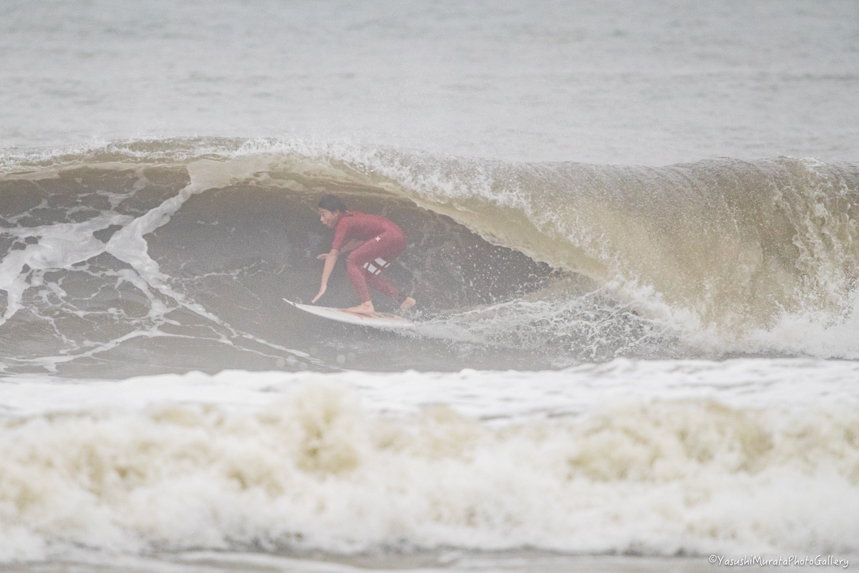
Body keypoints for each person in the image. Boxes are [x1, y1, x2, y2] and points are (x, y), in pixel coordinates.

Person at [312, 195, 416, 316]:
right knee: (367, 275)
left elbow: (332, 257)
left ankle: (366, 305)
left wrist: (323, 285)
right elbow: (358, 240)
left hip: (389, 236)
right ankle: (404, 300)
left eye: (323, 214)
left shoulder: (344, 222)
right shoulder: (351, 217)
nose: (321, 219)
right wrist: (337, 252)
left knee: (352, 261)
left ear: (335, 212)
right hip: (398, 239)